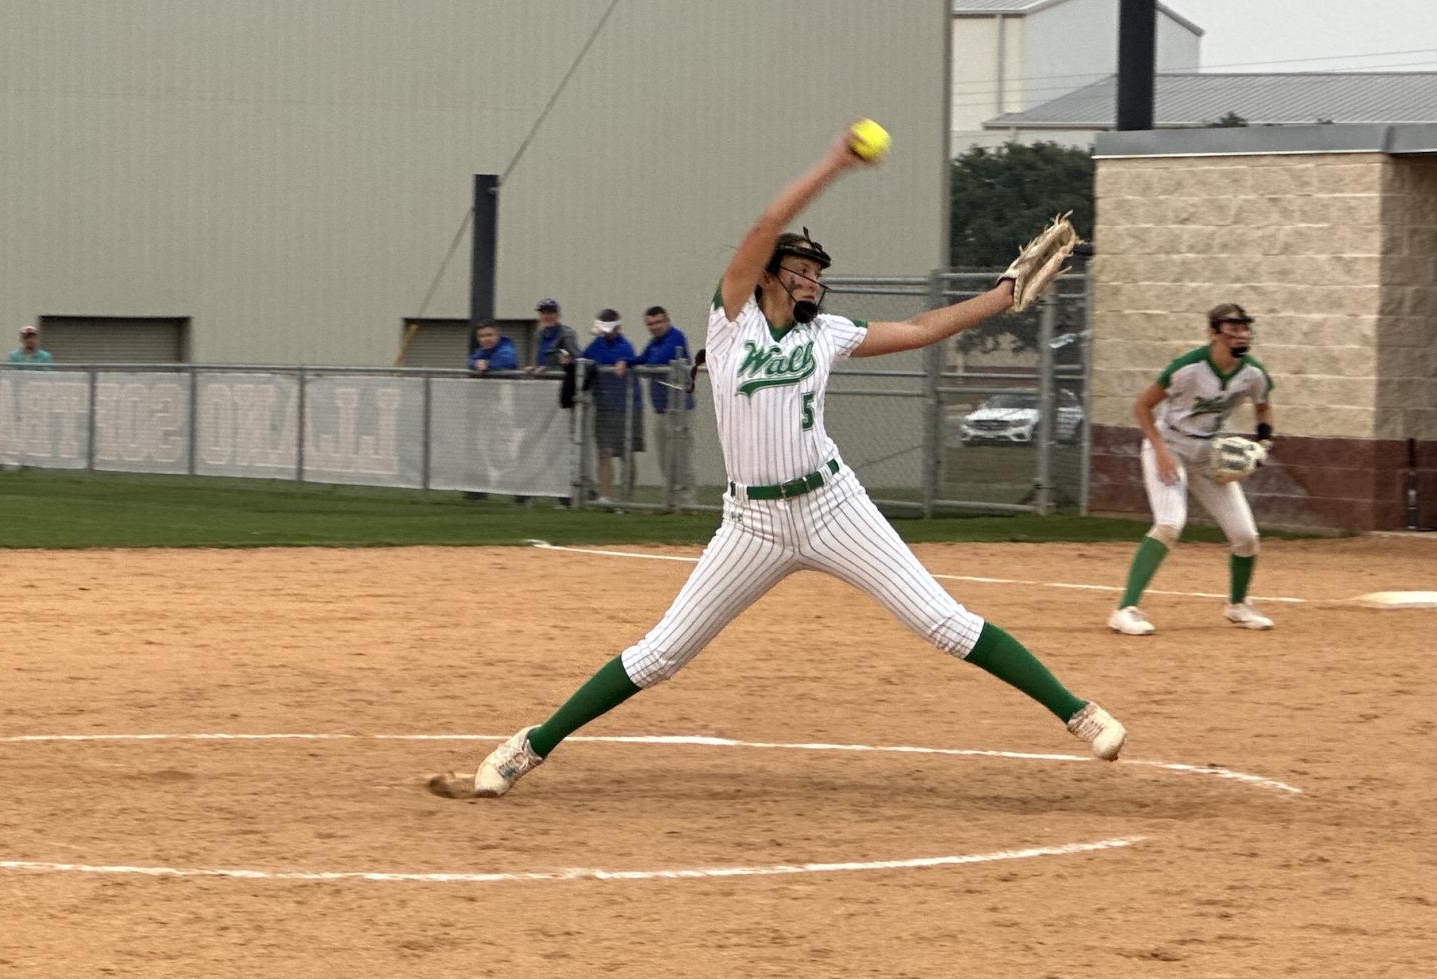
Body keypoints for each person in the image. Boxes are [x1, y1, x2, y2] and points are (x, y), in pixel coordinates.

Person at [468, 125, 1126, 798]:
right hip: (751, 524)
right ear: (768, 275)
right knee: (663, 652)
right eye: (802, 268)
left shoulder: (828, 335)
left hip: (832, 505)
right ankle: (528, 747)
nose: (813, 278)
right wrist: (836, 163)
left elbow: (925, 330)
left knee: (942, 621)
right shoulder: (731, 323)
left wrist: (1003, 296)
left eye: (818, 272)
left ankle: (1079, 713)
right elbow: (768, 221)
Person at [1108, 303, 1276, 636]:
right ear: (1213, 333)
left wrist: (1263, 445)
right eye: (1232, 328)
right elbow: (1142, 406)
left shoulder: (1251, 373)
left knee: (1246, 537)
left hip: (1207, 454)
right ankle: (1125, 610)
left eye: (1244, 328)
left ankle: (1238, 605)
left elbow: (1263, 407)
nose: (1240, 334)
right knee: (1170, 524)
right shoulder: (1188, 368)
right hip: (1168, 445)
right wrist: (1159, 452)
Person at [580, 308, 643, 500]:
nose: (607, 334)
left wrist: (622, 363)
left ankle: (626, 499)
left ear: (618, 328)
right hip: (604, 408)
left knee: (626, 453)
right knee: (604, 452)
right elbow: (584, 359)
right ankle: (605, 496)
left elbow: (627, 360)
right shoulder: (596, 345)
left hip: (627, 408)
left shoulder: (624, 346)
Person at [637, 305, 695, 503]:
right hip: (661, 408)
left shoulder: (676, 337)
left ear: (667, 321)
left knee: (680, 456)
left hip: (678, 408)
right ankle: (670, 501)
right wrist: (624, 362)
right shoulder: (654, 342)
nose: (654, 327)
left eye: (658, 322)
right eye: (650, 324)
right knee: (665, 457)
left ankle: (687, 502)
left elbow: (656, 361)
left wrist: (644, 364)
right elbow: (641, 359)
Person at [526, 298, 579, 377]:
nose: (546, 316)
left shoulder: (566, 335)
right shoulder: (539, 335)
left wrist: (550, 369)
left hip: (559, 382)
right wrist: (533, 368)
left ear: (557, 315)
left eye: (550, 313)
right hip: (542, 382)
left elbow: (574, 361)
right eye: (543, 313)